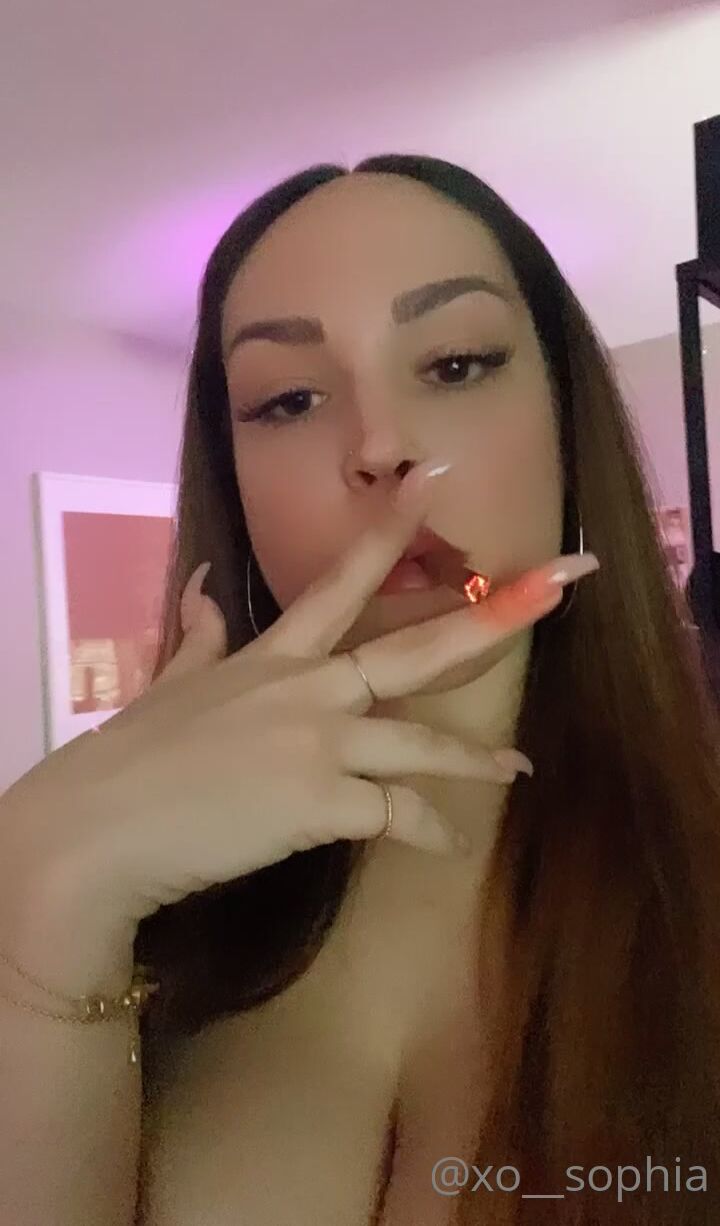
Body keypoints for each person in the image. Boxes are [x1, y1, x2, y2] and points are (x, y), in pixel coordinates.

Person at [1, 156, 719, 1226]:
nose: (381, 448)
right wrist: (38, 888)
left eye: (456, 364)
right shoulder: (138, 918)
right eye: (290, 399)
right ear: (234, 487)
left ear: (569, 425)